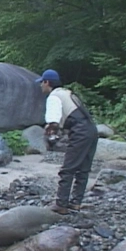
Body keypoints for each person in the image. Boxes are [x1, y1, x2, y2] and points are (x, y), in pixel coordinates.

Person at [35, 69, 98, 215]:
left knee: (68, 169)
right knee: (83, 169)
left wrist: (50, 133)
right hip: (91, 130)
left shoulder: (54, 97)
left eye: (41, 83)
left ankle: (61, 204)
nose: (40, 86)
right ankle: (76, 203)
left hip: (80, 132)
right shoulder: (67, 92)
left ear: (47, 82)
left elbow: (53, 121)